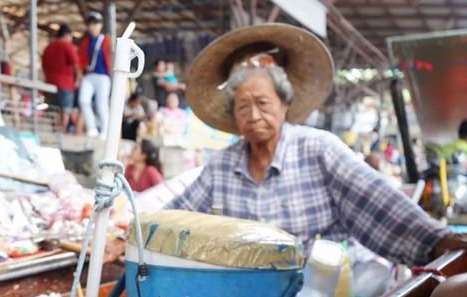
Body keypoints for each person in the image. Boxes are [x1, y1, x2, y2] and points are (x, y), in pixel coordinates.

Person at [169, 23, 467, 266]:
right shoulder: (222, 165)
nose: (253, 116)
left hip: (325, 296)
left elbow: (375, 201)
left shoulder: (319, 149)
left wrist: (436, 240)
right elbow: (176, 217)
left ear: (285, 104)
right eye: (242, 107)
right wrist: (132, 235)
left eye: (262, 103)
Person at [78, 11, 111, 138]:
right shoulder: (85, 41)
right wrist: (80, 75)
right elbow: (81, 59)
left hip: (102, 75)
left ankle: (105, 131)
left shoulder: (105, 41)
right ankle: (92, 128)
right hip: (89, 75)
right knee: (83, 100)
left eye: (96, 23)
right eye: (91, 24)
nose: (93, 26)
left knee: (101, 104)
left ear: (100, 25)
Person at [42, 23, 80, 131]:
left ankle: (55, 133)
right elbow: (76, 64)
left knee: (53, 110)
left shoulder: (48, 47)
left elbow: (43, 66)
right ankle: (61, 134)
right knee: (65, 110)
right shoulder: (67, 45)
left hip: (49, 84)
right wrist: (77, 79)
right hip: (65, 84)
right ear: (67, 35)